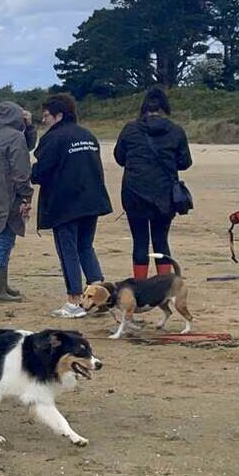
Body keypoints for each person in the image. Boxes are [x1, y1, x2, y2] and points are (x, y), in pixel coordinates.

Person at [30, 92, 112, 318]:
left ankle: (75, 300)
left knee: (69, 250)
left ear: (58, 115)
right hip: (92, 200)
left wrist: (30, 173)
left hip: (66, 203)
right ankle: (99, 296)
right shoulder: (88, 135)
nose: (43, 120)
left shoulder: (54, 138)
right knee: (85, 246)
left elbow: (41, 172)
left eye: (46, 115)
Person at [113, 86, 193, 279]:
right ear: (165, 108)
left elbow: (120, 157)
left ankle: (141, 285)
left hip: (134, 194)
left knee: (139, 241)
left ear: (144, 107)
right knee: (161, 240)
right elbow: (185, 162)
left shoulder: (130, 129)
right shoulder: (176, 131)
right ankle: (164, 283)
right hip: (165, 195)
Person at [0, 101, 37, 301]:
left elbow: (26, 146)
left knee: (3, 237)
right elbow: (21, 169)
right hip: (6, 194)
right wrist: (26, 195)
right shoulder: (14, 137)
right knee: (4, 240)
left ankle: (2, 285)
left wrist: (28, 127)